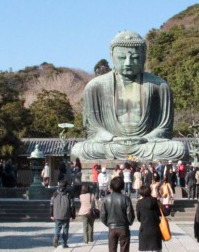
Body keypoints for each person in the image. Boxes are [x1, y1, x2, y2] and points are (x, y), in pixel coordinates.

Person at [71, 31, 188, 162]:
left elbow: (164, 128)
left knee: (178, 148)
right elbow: (93, 128)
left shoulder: (159, 85)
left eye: (135, 58)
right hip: (111, 144)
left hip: (146, 144)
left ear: (144, 57)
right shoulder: (96, 86)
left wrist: (145, 138)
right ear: (112, 56)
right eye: (121, 58)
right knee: (79, 150)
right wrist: (113, 139)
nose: (128, 63)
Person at [100, 176, 135, 252]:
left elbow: (102, 216)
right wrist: (128, 223)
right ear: (122, 187)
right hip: (123, 227)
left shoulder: (106, 199)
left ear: (111, 187)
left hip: (112, 228)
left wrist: (109, 224)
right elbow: (130, 216)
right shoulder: (126, 198)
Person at [136, 184, 163, 252]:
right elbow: (164, 212)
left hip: (144, 229)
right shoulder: (155, 201)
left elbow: (138, 218)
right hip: (155, 229)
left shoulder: (139, 203)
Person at [50, 181, 76, 248]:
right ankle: (64, 243)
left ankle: (56, 236)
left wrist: (51, 214)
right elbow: (72, 205)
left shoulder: (55, 194)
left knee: (57, 228)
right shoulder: (69, 194)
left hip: (57, 214)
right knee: (65, 229)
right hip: (66, 214)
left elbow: (51, 204)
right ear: (66, 186)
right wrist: (73, 215)